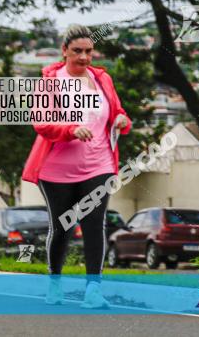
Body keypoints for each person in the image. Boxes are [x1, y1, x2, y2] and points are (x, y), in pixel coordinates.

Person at [21, 24, 131, 309]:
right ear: (64, 51)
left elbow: (117, 111)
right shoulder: (50, 81)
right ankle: (54, 282)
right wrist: (71, 129)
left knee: (95, 223)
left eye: (88, 51)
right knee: (62, 227)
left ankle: (93, 290)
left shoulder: (102, 78)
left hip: (100, 163)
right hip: (57, 168)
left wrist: (121, 120)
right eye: (77, 51)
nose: (84, 57)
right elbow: (41, 123)